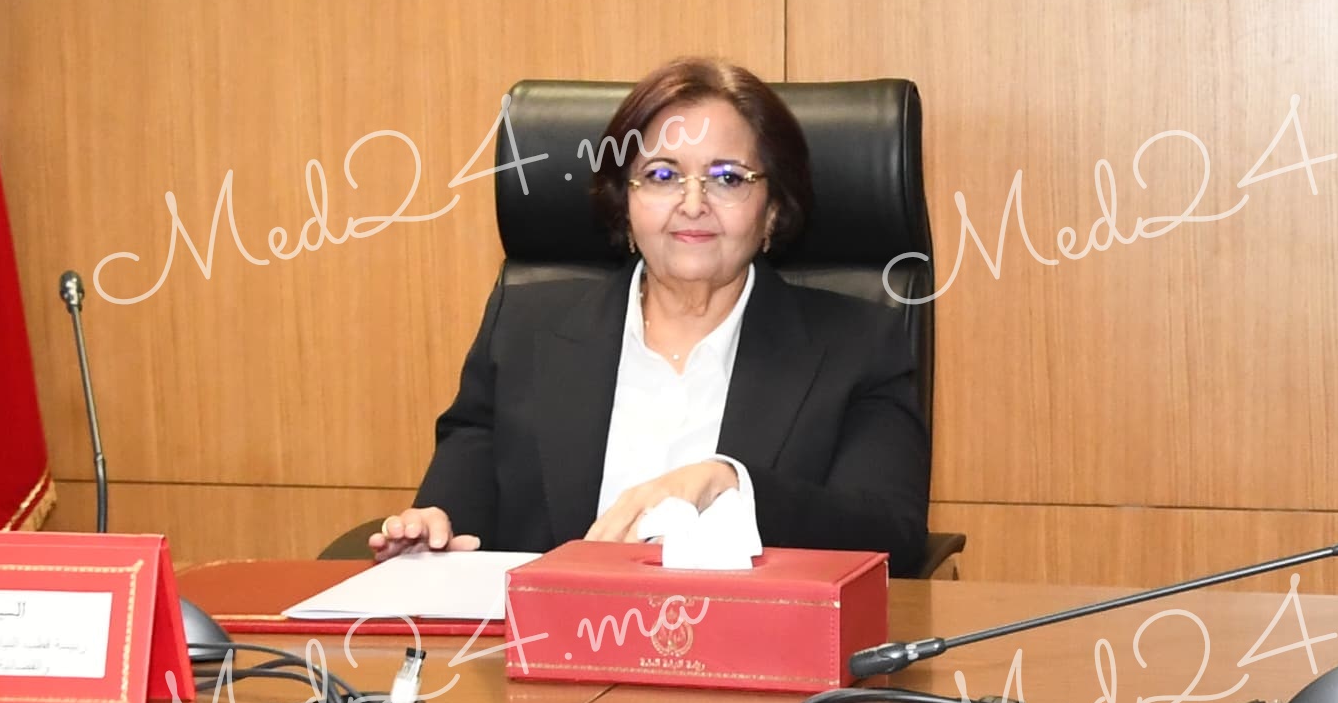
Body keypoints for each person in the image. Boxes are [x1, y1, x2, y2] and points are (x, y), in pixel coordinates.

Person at [376, 59, 931, 562]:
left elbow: (892, 536)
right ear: (625, 202)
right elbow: (465, 486)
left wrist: (729, 483)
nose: (693, 204)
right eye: (663, 175)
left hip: (747, 637)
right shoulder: (525, 328)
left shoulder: (859, 345)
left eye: (728, 178)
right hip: (552, 634)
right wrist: (433, 530)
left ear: (773, 210)